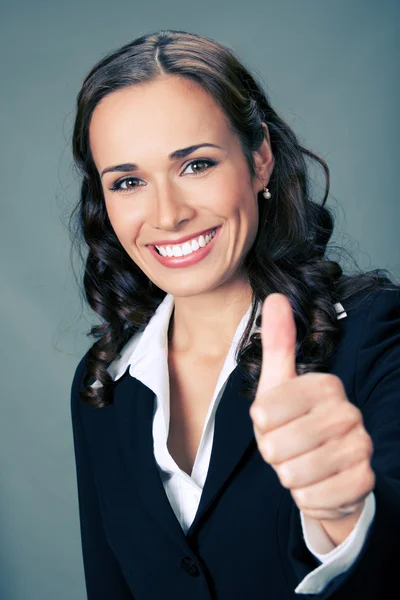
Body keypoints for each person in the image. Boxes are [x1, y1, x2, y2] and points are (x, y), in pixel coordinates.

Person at [69, 29, 400, 599]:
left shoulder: (374, 333)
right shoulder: (102, 386)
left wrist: (345, 516)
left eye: (195, 165)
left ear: (260, 159)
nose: (168, 214)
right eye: (128, 182)